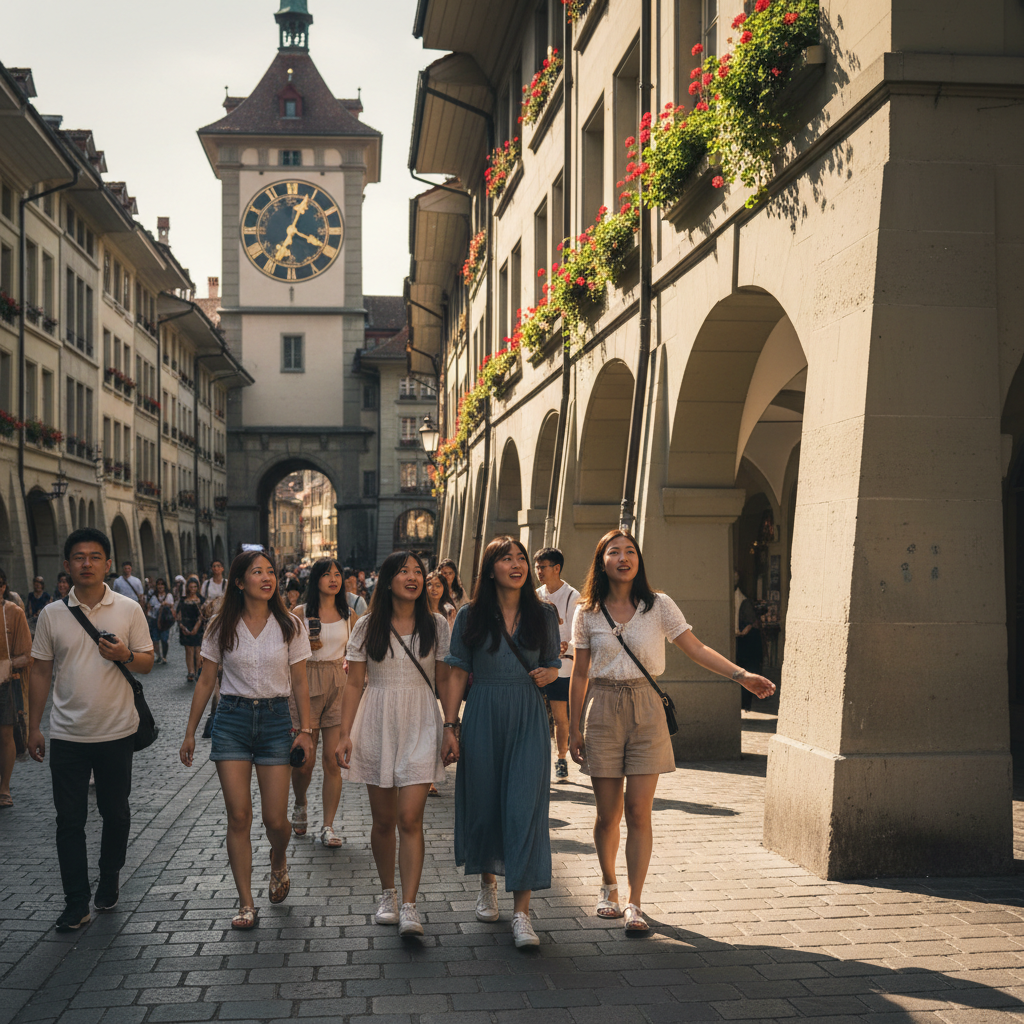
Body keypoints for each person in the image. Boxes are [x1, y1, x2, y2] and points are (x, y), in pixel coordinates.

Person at [568, 529, 775, 934]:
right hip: (604, 707)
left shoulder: (658, 605)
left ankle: (635, 902)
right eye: (614, 552)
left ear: (638, 560)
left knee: (638, 811)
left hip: (647, 709)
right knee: (608, 814)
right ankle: (608, 886)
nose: (623, 558)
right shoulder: (587, 611)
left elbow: (695, 648)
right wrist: (572, 729)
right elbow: (579, 672)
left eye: (630, 551)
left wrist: (741, 675)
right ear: (602, 560)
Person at [27, 527, 155, 932]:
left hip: (117, 731)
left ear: (107, 563)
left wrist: (125, 654)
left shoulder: (128, 609)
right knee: (69, 821)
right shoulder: (51, 615)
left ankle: (110, 875)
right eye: (79, 557)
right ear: (67, 566)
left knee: (115, 814)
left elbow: (147, 662)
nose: (86, 563)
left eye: (95, 556)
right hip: (68, 734)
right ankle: (75, 901)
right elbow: (41, 671)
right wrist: (34, 725)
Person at [179, 550, 313, 930]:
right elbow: (207, 680)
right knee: (238, 815)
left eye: (271, 571)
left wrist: (306, 730)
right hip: (232, 720)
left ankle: (278, 858)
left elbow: (300, 681)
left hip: (274, 721)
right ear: (240, 582)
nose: (267, 578)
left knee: (276, 820)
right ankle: (245, 902)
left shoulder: (291, 625)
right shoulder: (221, 624)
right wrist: (190, 732)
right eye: (257, 572)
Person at [442, 537, 561, 949]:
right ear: (489, 568)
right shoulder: (469, 615)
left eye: (521, 558)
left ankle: (523, 914)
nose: (517, 565)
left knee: (524, 807)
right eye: (506, 559)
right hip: (483, 712)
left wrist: (550, 673)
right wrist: (449, 725)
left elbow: (553, 663)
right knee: (485, 803)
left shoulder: (543, 613)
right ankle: (487, 884)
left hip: (527, 715)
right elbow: (457, 671)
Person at [336, 550, 451, 937]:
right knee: (383, 820)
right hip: (377, 722)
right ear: (387, 580)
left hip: (421, 719)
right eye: (404, 572)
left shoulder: (436, 624)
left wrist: (451, 726)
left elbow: (448, 679)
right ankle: (387, 892)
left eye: (418, 571)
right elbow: (354, 683)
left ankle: (409, 905)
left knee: (409, 818)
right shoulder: (367, 626)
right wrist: (344, 734)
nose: (413, 577)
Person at [290, 558, 355, 848]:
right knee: (305, 760)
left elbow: (353, 655)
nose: (334, 579)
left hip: (338, 684)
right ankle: (301, 801)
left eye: (338, 574)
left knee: (332, 759)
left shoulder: (349, 614)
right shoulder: (299, 613)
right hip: (306, 681)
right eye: (327, 574)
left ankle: (328, 825)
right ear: (315, 579)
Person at [533, 547, 581, 783]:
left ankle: (561, 758)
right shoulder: (535, 594)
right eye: (537, 567)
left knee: (561, 717)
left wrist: (566, 646)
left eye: (543, 567)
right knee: (538, 717)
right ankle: (537, 761)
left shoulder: (573, 596)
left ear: (557, 568)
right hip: (537, 665)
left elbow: (577, 632)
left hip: (563, 666)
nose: (538, 571)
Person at [0, 567, 32, 809]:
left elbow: (27, 655)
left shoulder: (14, 613)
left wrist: (7, 664)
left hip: (6, 683)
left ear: (4, 587)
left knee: (5, 735)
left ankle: (5, 787)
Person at [735, 578, 763, 713]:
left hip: (748, 645)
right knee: (747, 672)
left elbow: (749, 625)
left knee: (747, 672)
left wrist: (741, 632)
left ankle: (745, 703)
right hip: (749, 645)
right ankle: (746, 703)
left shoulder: (743, 602)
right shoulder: (744, 600)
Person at [177, 577, 205, 683]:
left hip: (198, 626)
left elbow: (202, 616)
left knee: (198, 650)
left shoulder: (201, 599)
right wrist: (182, 626)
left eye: (195, 587)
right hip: (185, 625)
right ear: (187, 588)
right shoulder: (183, 600)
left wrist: (196, 628)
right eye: (191, 587)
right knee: (188, 650)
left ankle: (198, 671)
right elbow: (179, 615)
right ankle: (190, 671)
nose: (193, 589)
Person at [146, 578, 174, 665]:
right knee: (155, 639)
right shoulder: (153, 597)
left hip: (164, 620)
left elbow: (172, 607)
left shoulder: (169, 596)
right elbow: (149, 607)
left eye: (162, 584)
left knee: (164, 639)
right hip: (154, 620)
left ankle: (164, 656)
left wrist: (166, 605)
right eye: (159, 584)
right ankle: (158, 655)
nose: (160, 586)